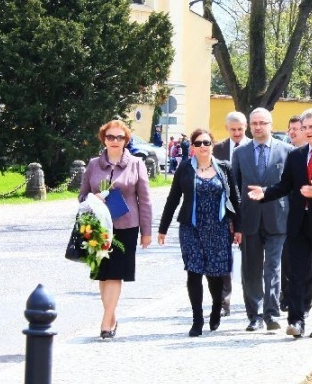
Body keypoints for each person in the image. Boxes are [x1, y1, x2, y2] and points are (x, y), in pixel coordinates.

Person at [247, 107, 312, 339]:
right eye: (305, 128)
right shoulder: (295, 156)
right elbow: (285, 185)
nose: (308, 131)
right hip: (297, 224)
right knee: (296, 274)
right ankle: (296, 319)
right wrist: (264, 193)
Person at [158, 129, 242, 337]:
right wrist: (163, 228)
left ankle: (216, 307)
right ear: (192, 147)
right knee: (194, 272)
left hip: (219, 228)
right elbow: (173, 198)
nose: (202, 146)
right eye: (198, 143)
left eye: (206, 142)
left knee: (215, 274)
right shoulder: (185, 168)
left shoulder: (224, 167)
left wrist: (239, 227)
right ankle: (197, 319)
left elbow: (236, 199)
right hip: (191, 228)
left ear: (212, 145)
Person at [78, 119, 152, 339]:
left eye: (120, 137)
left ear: (126, 140)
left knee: (116, 275)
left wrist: (146, 232)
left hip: (125, 227)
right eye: (110, 137)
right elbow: (81, 196)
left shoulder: (136, 164)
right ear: (104, 139)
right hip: (98, 227)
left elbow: (145, 200)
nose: (115, 141)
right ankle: (112, 317)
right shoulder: (93, 164)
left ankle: (105, 322)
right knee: (103, 275)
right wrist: (94, 197)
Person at [232, 108, 292, 332]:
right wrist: (235, 222)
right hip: (249, 218)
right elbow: (234, 190)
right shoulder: (240, 153)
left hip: (278, 218)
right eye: (254, 123)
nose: (258, 127)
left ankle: (272, 313)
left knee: (273, 267)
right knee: (251, 269)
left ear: (271, 124)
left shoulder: (286, 151)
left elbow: (291, 187)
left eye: (262, 123)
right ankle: (254, 315)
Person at [211, 111, 250, 316]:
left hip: (250, 211)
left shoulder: (254, 148)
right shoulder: (216, 150)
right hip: (223, 213)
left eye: (240, 129)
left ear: (246, 128)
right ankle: (223, 302)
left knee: (251, 258)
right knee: (223, 258)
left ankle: (251, 300)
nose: (236, 133)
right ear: (227, 128)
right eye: (233, 129)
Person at [279, 115, 312, 314]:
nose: (292, 132)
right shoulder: (286, 153)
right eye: (289, 128)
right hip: (286, 215)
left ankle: (305, 303)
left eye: (296, 128)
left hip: (311, 216)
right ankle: (287, 296)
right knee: (287, 258)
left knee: (309, 263)